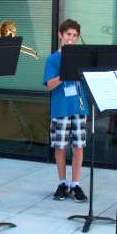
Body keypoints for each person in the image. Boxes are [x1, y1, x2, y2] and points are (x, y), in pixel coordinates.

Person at [43, 19, 89, 202]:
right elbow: (49, 86)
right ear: (61, 35)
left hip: (78, 106)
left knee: (78, 147)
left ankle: (75, 184)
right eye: (68, 34)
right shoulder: (53, 59)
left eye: (75, 36)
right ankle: (62, 182)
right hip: (60, 107)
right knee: (60, 147)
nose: (71, 38)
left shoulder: (81, 57)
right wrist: (64, 74)